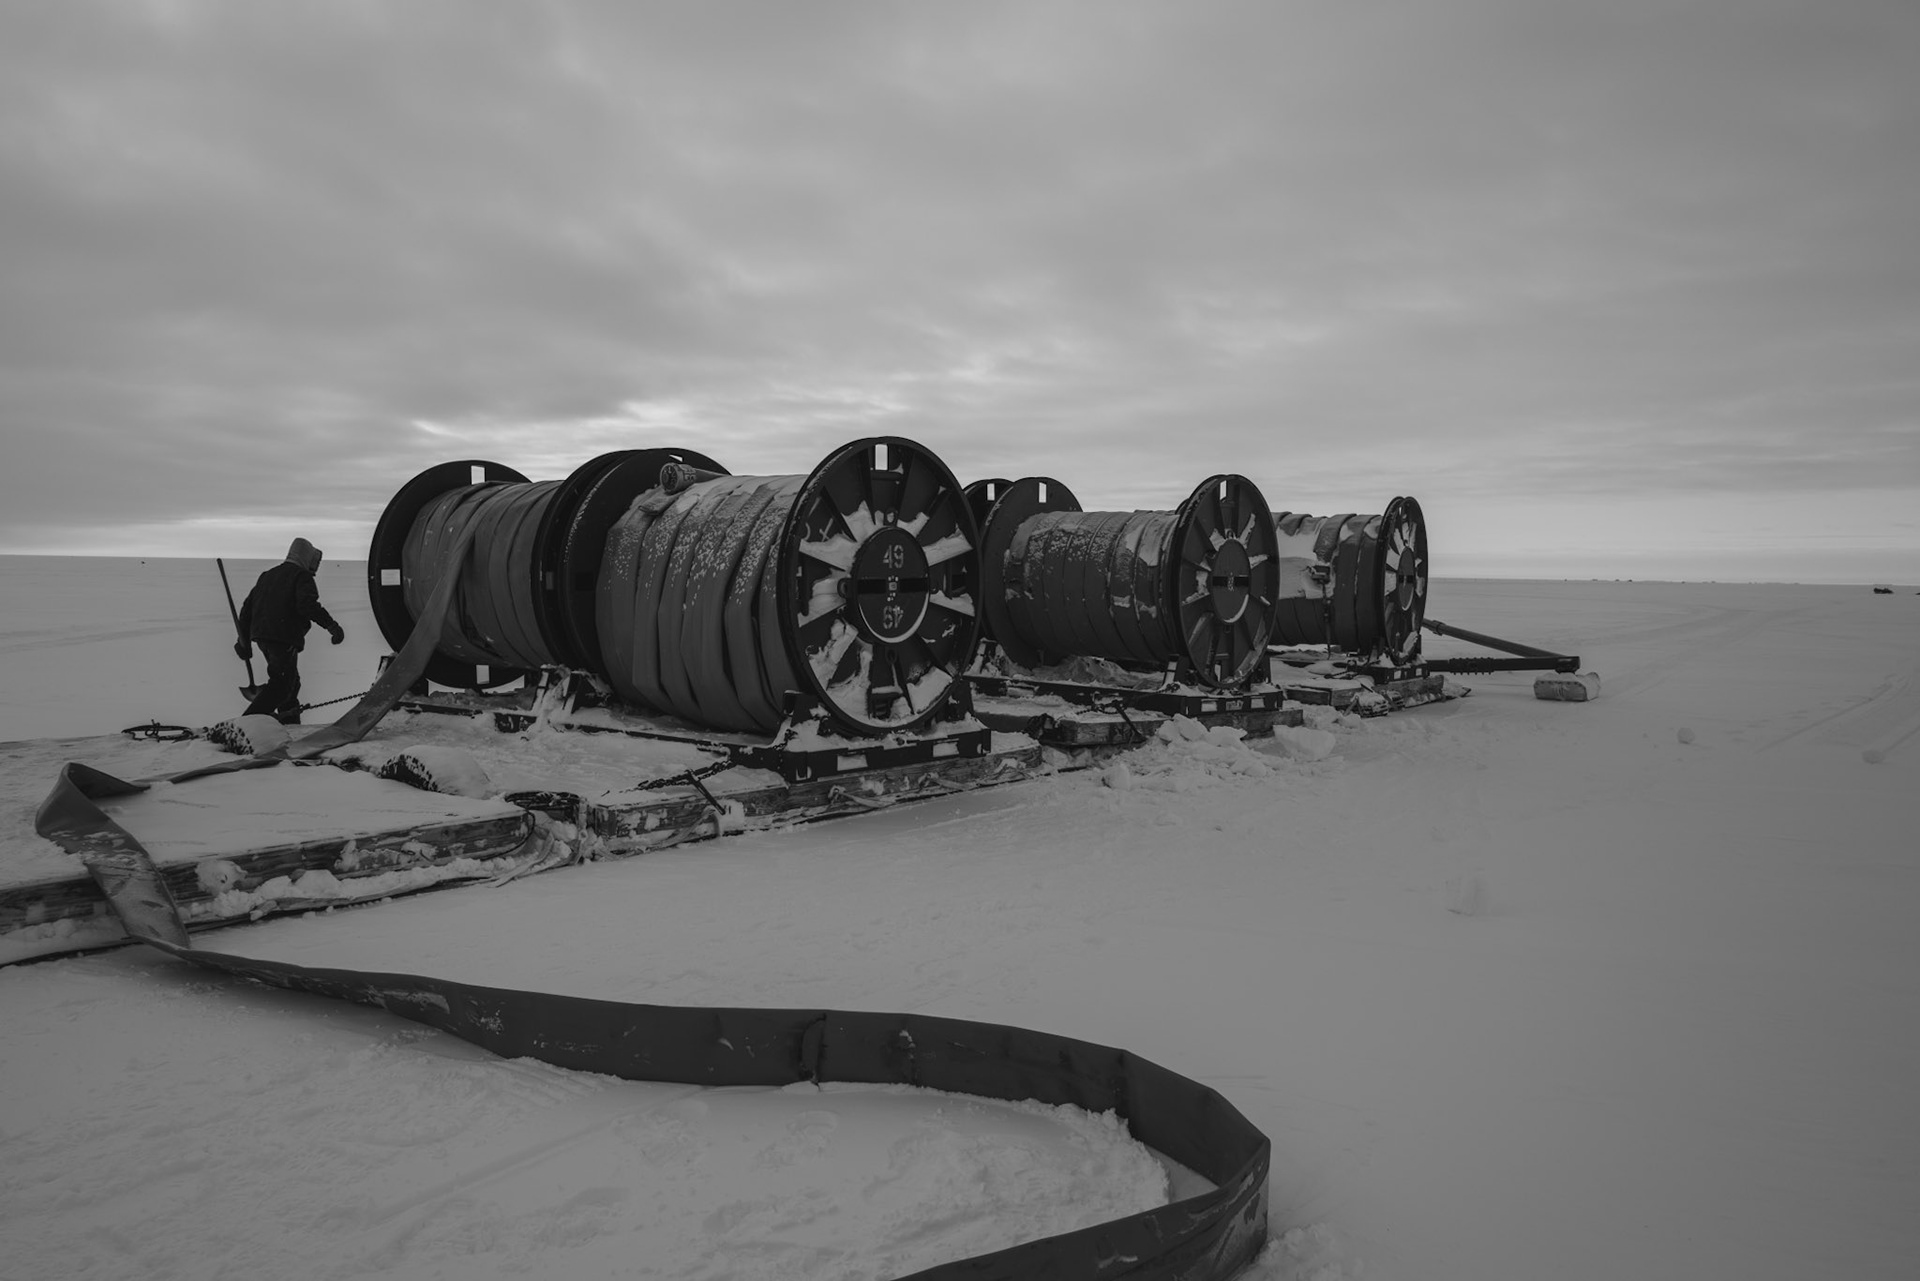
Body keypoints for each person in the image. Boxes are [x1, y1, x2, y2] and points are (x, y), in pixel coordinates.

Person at [235, 537, 344, 723]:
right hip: (283, 636)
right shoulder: (301, 576)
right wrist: (332, 626)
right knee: (281, 685)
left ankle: (290, 726)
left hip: (262, 636)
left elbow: (247, 610)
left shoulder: (267, 575)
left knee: (290, 683)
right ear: (306, 557)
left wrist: (243, 640)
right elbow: (307, 606)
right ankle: (245, 724)